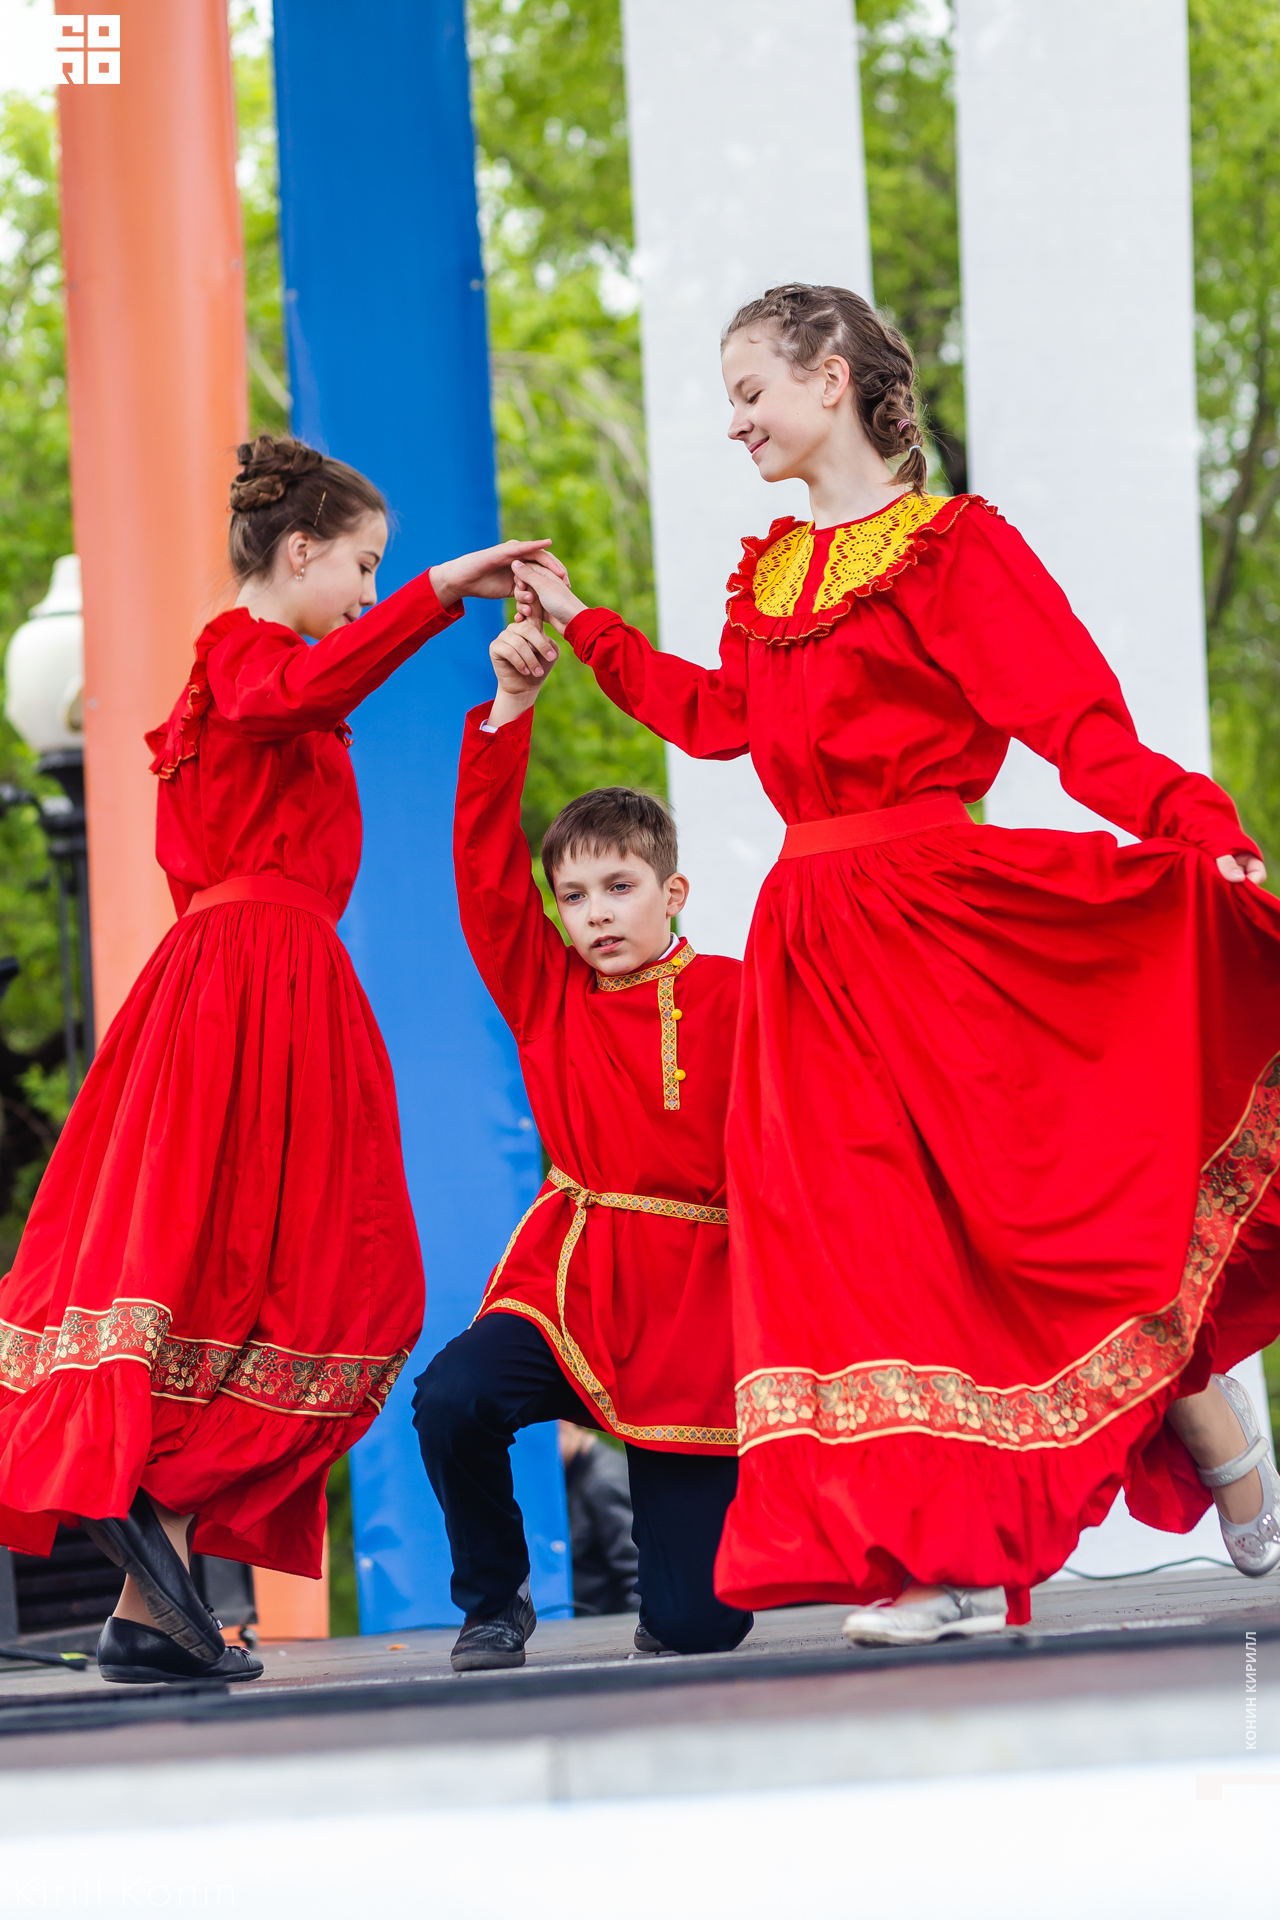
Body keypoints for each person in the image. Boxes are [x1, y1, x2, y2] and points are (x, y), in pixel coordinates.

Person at [511, 283, 1280, 1646]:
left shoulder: (953, 549)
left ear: (830, 377)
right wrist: (582, 622)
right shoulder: (770, 578)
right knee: (860, 1252)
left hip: (940, 922)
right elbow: (715, 719)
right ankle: (939, 1558)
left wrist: (1196, 826)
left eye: (750, 391)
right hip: (811, 941)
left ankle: (1207, 1426)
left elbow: (1076, 722)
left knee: (1015, 1221)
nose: (735, 422)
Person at [0, 434, 564, 1685]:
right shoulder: (239, 653)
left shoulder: (265, 676)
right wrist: (439, 591)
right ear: (298, 551)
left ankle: (149, 1607)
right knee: (327, 1279)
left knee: (273, 1278)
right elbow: (291, 696)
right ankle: (137, 1500)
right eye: (363, 565)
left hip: (260, 981)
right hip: (253, 981)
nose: (370, 589)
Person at [414, 614, 751, 1671]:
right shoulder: (546, 992)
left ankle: (681, 1600)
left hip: (695, 1303)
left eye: (618, 888)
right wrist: (509, 708)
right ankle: (493, 1603)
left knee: (697, 1629)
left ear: (671, 892)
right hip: (575, 1278)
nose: (595, 914)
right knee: (453, 1398)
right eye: (572, 896)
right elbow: (483, 870)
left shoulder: (744, 995)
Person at [559, 1422, 640, 1617]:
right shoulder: (573, 1472)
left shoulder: (605, 1481)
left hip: (604, 1623)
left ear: (564, 1424)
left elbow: (638, 1574)